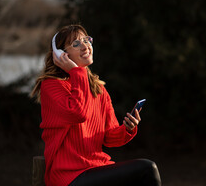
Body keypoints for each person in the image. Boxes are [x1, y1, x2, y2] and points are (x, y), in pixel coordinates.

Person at [31, 24, 161, 186]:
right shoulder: (51, 85)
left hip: (97, 168)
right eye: (76, 44)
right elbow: (79, 113)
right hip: (68, 176)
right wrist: (76, 71)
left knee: (146, 170)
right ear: (61, 55)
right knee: (146, 168)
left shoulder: (98, 89)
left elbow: (109, 138)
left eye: (87, 40)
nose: (85, 46)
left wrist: (127, 128)